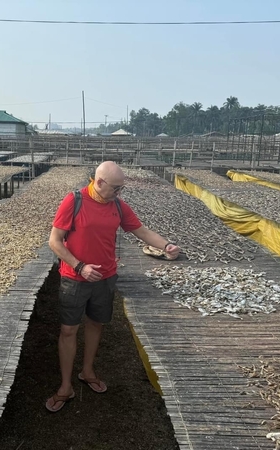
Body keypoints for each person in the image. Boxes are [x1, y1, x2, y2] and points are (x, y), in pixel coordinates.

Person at [46, 161, 180, 412]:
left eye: (121, 189)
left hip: (105, 278)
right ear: (99, 182)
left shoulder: (117, 205)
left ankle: (87, 372)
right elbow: (54, 241)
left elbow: (141, 230)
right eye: (116, 188)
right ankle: (65, 386)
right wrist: (80, 266)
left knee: (96, 323)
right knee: (68, 330)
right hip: (74, 279)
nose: (119, 193)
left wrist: (166, 245)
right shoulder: (73, 201)